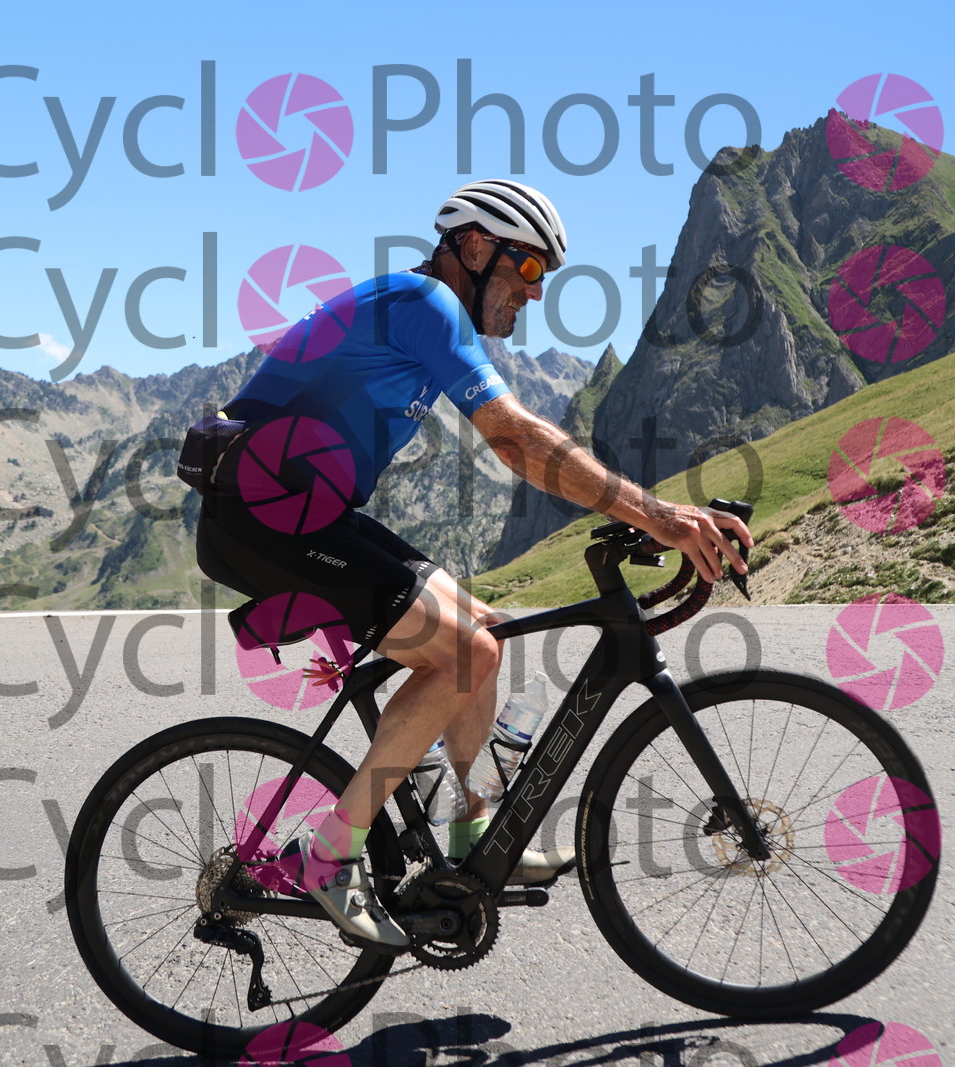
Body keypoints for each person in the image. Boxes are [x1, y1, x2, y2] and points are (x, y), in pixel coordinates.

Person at [195, 179, 751, 948]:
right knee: (465, 652)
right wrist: (657, 514)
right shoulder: (426, 304)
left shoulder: (427, 312)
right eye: (530, 269)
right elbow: (516, 439)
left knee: (483, 629)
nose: (535, 293)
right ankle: (329, 857)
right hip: (263, 516)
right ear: (478, 247)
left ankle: (469, 827)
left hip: (302, 513)